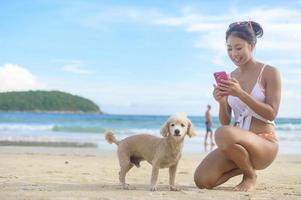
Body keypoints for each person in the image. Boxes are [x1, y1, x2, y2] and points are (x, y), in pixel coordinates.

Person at [194, 21, 281, 192]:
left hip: (264, 144)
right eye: (229, 49)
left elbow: (271, 113)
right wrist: (221, 102)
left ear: (252, 45)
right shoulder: (229, 77)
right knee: (202, 180)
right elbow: (226, 122)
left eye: (239, 48)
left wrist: (240, 94)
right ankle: (244, 166)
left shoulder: (270, 72)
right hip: (237, 149)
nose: (234, 53)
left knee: (221, 134)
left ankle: (250, 175)